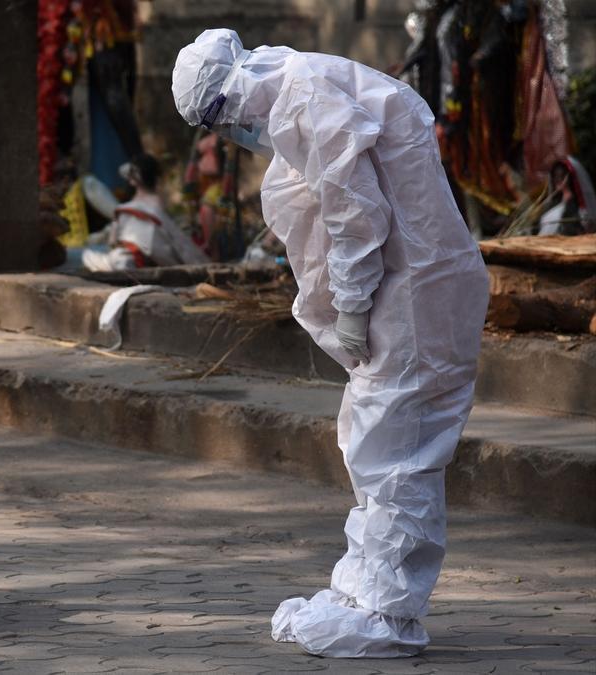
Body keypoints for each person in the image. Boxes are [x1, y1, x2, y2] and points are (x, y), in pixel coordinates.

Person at [172, 29, 490, 657]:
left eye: (215, 116)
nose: (228, 130)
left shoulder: (304, 94)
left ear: (228, 91)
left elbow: (354, 213)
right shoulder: (310, 85)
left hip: (414, 295)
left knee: (395, 454)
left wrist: (350, 304)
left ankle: (391, 613)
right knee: (373, 444)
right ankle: (365, 590)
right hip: (408, 288)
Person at [82, 153, 209, 272]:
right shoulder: (152, 204)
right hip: (144, 259)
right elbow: (177, 241)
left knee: (89, 255)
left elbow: (113, 242)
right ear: (156, 178)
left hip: (131, 258)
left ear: (132, 179)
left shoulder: (124, 209)